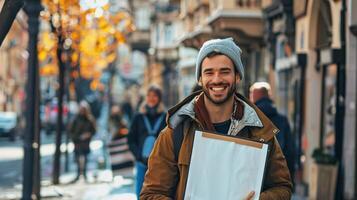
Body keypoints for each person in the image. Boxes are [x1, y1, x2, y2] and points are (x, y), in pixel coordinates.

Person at [140, 38, 292, 200]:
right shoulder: (175, 132)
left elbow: (282, 187)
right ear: (200, 79)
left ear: (237, 76)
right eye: (209, 72)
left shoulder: (260, 132)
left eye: (225, 71)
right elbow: (150, 194)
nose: (217, 79)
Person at [250, 82, 296, 184]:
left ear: (254, 96)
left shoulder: (249, 119)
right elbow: (290, 152)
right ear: (268, 96)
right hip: (277, 174)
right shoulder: (282, 120)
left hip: (254, 176)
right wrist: (290, 179)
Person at [127, 85, 166, 199]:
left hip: (160, 163)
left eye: (154, 96)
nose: (151, 98)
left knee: (158, 193)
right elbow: (130, 139)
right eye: (149, 96)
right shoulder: (138, 117)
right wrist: (138, 156)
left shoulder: (165, 117)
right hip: (142, 162)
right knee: (140, 193)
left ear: (159, 98)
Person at [69, 101, 96, 182]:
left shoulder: (89, 119)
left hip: (86, 142)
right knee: (77, 158)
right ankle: (78, 174)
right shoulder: (75, 119)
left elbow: (93, 130)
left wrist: (88, 135)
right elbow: (71, 131)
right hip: (77, 141)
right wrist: (77, 137)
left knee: (85, 158)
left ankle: (84, 174)